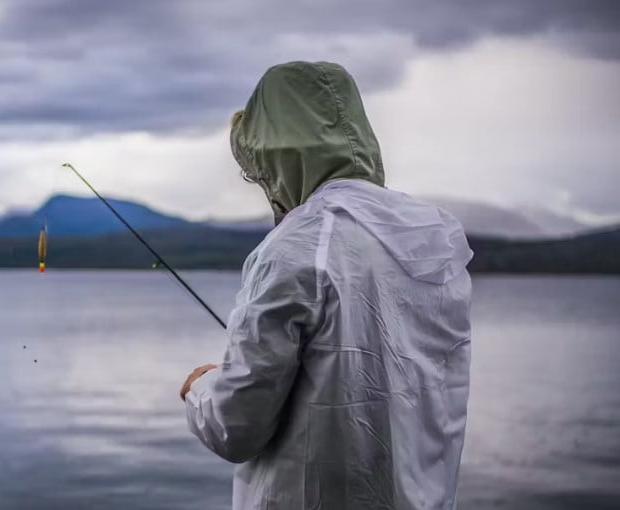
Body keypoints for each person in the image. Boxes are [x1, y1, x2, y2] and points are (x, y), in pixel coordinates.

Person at [180, 61, 473, 510]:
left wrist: (202, 387)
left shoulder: (297, 244)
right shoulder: (437, 237)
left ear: (277, 157)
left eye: (257, 171)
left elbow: (236, 427)